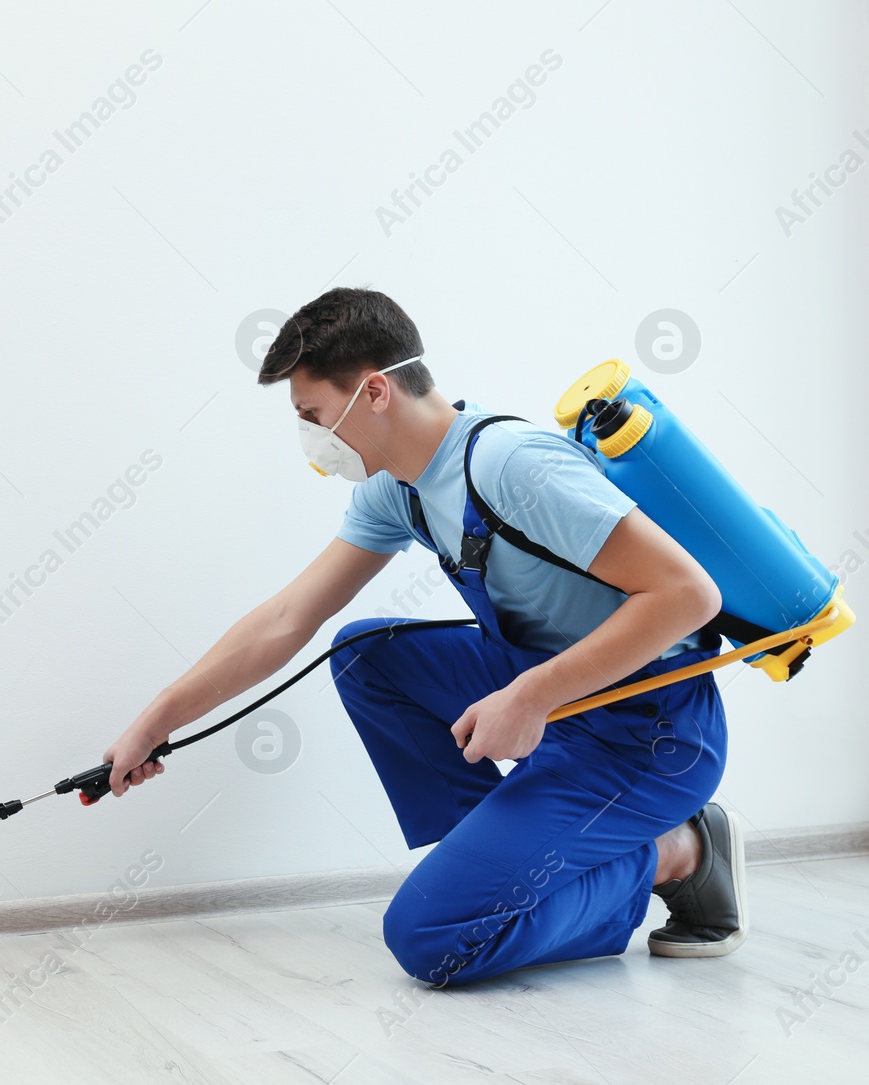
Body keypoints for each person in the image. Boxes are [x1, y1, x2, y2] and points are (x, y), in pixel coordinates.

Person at [100, 287, 747, 987]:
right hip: (557, 699)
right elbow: (289, 618)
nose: (312, 437)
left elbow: (689, 594)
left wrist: (530, 696)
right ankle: (498, 867)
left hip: (648, 734)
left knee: (431, 940)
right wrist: (156, 720)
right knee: (363, 654)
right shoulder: (397, 489)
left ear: (374, 391)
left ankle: (678, 850)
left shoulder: (513, 464)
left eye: (313, 415)